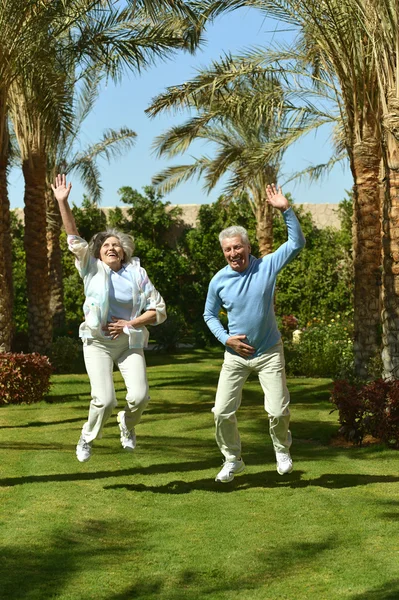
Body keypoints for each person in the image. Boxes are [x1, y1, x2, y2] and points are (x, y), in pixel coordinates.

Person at [52, 174, 167, 463]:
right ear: (98, 253)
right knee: (105, 400)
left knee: (139, 397)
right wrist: (63, 202)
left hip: (129, 342)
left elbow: (159, 310)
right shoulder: (91, 269)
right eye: (106, 246)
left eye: (116, 244)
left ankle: (127, 426)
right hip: (97, 343)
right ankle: (86, 437)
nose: (111, 248)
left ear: (124, 250)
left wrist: (131, 323)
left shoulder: (137, 274)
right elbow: (74, 239)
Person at [203, 184, 306, 483]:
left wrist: (285, 209)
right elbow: (209, 314)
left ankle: (281, 451)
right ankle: (233, 459)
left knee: (277, 410)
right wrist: (226, 339)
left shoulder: (267, 266)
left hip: (269, 351)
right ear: (223, 252)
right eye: (228, 249)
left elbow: (296, 243)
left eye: (238, 247)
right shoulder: (218, 281)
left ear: (248, 247)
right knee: (221, 412)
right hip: (235, 356)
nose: (234, 253)